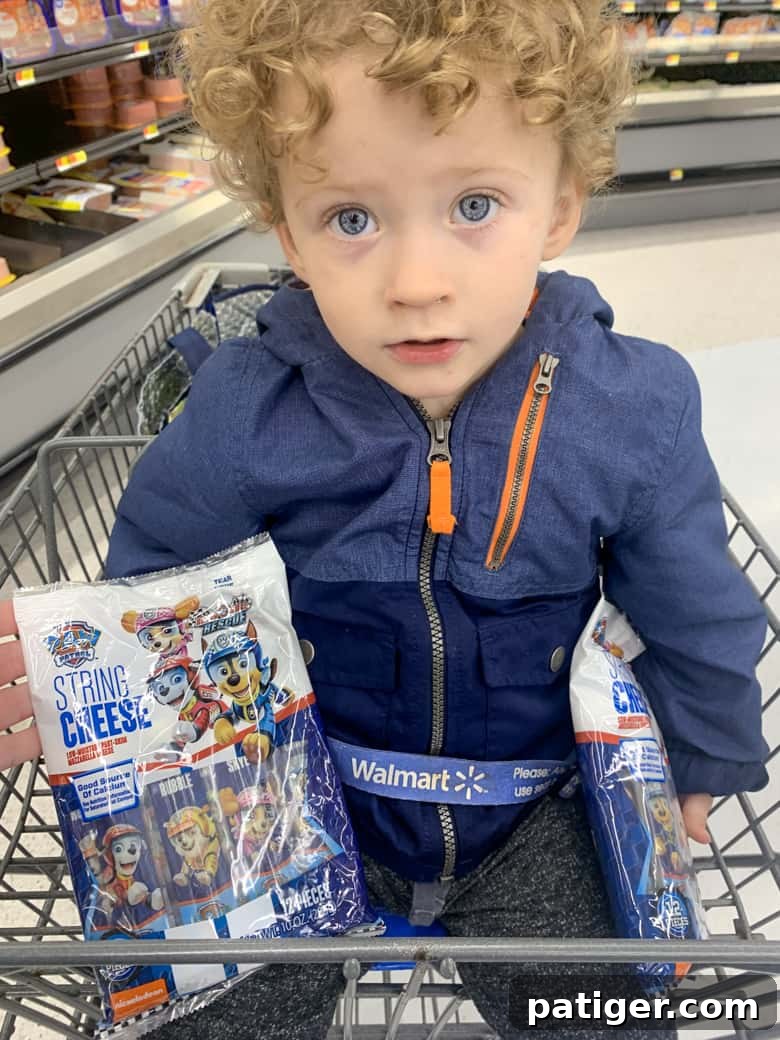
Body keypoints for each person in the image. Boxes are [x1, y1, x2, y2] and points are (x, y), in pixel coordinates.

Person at [0, 0, 770, 1036]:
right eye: (351, 219)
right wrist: (72, 674)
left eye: (475, 205)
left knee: (610, 1012)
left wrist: (711, 754)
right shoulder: (244, 408)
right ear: (286, 230)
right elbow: (152, 584)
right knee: (203, 1014)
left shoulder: (630, 408)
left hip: (536, 815)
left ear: (560, 206)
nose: (416, 284)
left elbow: (698, 605)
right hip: (307, 812)